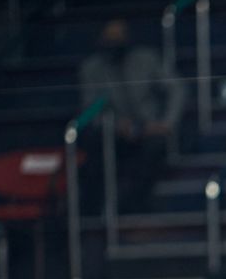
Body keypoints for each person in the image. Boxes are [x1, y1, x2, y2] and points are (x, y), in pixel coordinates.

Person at [77, 19, 186, 214]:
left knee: (153, 150)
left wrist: (166, 122)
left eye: (119, 37)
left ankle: (129, 206)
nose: (115, 43)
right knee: (94, 152)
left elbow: (177, 88)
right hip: (115, 132)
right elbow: (90, 109)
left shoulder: (147, 58)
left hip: (151, 128)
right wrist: (116, 126)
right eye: (110, 38)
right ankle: (91, 213)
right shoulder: (91, 68)